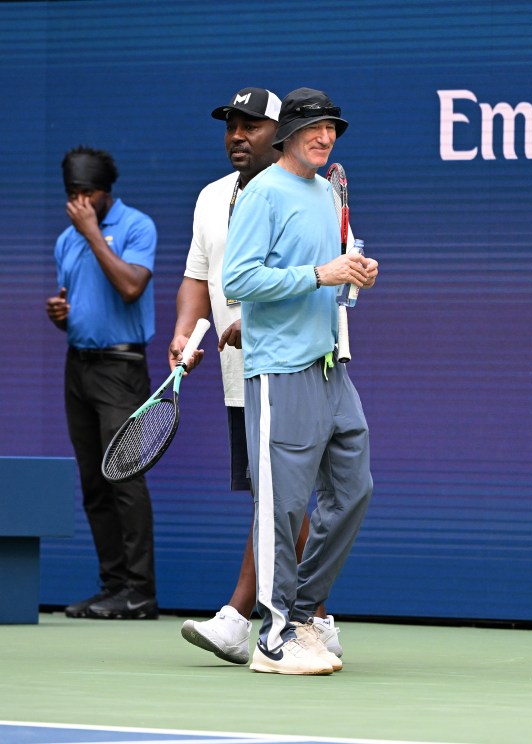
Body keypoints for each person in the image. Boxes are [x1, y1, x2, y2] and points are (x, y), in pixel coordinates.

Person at [169, 88, 342, 666]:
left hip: (294, 360)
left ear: (282, 132)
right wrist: (184, 331)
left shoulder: (313, 191)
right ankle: (299, 617)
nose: (237, 135)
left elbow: (325, 272)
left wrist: (257, 317)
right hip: (237, 369)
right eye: (230, 126)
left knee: (281, 497)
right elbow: (200, 277)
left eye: (251, 125)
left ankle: (256, 617)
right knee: (274, 496)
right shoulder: (211, 198)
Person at [222, 87, 378, 676]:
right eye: (314, 129)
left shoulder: (324, 191)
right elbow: (239, 280)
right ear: (286, 133)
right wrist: (319, 273)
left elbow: (330, 272)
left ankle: (301, 610)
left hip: (331, 366)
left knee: (354, 487)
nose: (325, 137)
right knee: (283, 507)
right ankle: (273, 637)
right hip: (280, 370)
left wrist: (353, 271)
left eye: (332, 128)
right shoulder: (262, 193)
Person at [45, 147, 159, 620]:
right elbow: (79, 302)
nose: (79, 204)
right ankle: (113, 587)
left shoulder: (137, 226)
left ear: (105, 192)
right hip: (80, 367)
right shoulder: (64, 241)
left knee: (125, 480)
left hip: (121, 369)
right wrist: (61, 316)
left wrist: (93, 234)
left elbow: (132, 286)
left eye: (87, 194)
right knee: (94, 482)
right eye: (72, 195)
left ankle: (140, 592)